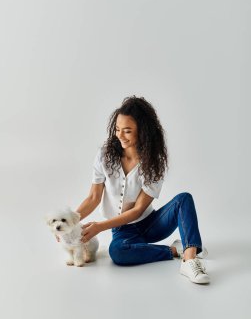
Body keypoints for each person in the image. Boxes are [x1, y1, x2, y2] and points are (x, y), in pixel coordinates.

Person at [73, 96, 210, 284]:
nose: (120, 135)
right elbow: (93, 197)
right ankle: (174, 250)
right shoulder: (104, 156)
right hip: (123, 231)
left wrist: (99, 226)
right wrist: (68, 223)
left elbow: (137, 210)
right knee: (117, 252)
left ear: (143, 132)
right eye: (117, 129)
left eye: (127, 131)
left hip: (151, 225)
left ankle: (190, 258)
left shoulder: (154, 163)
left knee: (184, 199)